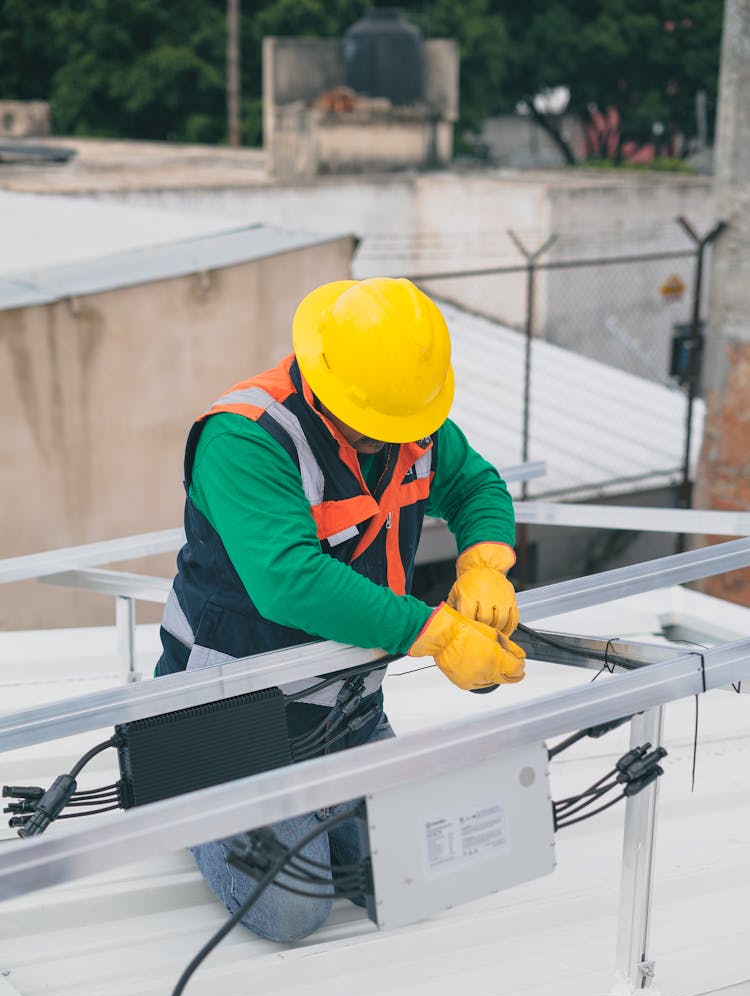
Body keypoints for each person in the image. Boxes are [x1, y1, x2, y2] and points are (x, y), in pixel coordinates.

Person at [156, 276, 526, 942]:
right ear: (330, 383)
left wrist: (485, 561)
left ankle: (312, 803)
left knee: (411, 874)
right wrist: (437, 634)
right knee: (293, 911)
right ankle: (185, 793)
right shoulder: (246, 439)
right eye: (385, 426)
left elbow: (475, 484)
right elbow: (289, 581)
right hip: (231, 715)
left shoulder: (406, 419)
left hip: (346, 710)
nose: (401, 441)